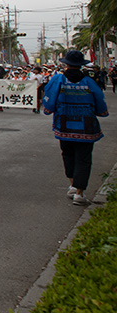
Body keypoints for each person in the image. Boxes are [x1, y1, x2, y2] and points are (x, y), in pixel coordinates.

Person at [42, 49, 108, 206]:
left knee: (68, 155)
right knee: (83, 158)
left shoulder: (58, 80)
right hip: (86, 126)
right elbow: (100, 102)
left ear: (66, 64)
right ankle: (79, 192)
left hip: (64, 125)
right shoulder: (89, 81)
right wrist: (100, 112)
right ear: (81, 65)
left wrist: (48, 109)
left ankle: (72, 184)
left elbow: (48, 101)